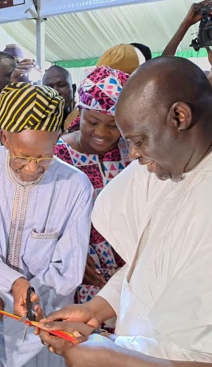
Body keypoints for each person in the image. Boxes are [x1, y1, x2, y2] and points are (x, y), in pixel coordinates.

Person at [38, 56, 212, 367]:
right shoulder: (182, 163)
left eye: (139, 141)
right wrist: (99, 309)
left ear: (179, 116)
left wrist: (114, 359)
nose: (134, 154)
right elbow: (154, 264)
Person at [0, 82, 94, 367]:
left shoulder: (75, 186)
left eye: (44, 157)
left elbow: (68, 268)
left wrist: (32, 297)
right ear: (4, 137)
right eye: (22, 157)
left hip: (44, 323)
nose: (31, 168)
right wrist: (12, 285)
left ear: (58, 139)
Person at [53, 66, 130, 308]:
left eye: (113, 125)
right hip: (82, 269)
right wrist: (67, 252)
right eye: (94, 121)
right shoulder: (57, 156)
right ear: (81, 111)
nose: (101, 133)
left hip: (129, 266)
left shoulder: (131, 152)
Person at [42, 65, 77, 130]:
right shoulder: (37, 124)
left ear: (74, 89)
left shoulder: (85, 119)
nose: (56, 92)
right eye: (49, 88)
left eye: (61, 85)